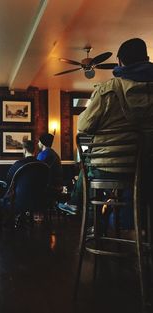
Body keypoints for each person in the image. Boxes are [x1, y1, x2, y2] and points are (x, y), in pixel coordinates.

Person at [59, 38, 153, 226]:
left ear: (119, 62)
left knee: (88, 158)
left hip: (109, 168)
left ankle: (82, 210)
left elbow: (84, 126)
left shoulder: (108, 89)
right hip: (145, 168)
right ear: (147, 58)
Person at [0, 140, 38, 208]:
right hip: (38, 200)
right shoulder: (42, 165)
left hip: (20, 200)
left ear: (25, 151)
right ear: (35, 151)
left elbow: (9, 180)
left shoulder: (18, 164)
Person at [37, 133, 63, 200]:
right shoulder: (55, 154)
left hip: (48, 187)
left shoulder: (43, 154)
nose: (38, 143)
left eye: (39, 141)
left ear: (42, 143)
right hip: (57, 186)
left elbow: (37, 170)